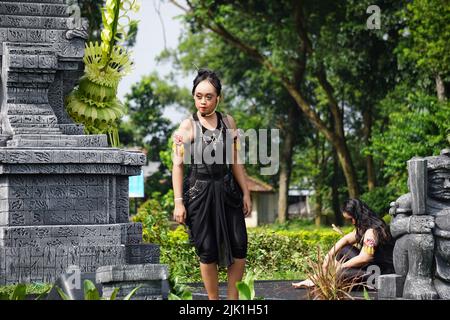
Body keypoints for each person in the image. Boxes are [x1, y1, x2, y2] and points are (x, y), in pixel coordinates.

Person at [172, 69, 252, 300]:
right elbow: (177, 166)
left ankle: (233, 302)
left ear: (218, 97)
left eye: (208, 96)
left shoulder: (229, 122)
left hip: (228, 191)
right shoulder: (187, 126)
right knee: (207, 250)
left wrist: (245, 192)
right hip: (199, 193)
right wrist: (179, 202)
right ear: (193, 96)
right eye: (198, 96)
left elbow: (235, 160)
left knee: (239, 246)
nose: (203, 102)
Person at [292, 198, 395, 288]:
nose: (353, 223)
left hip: (380, 275)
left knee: (340, 274)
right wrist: (329, 256)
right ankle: (321, 278)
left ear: (358, 215)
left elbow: (365, 257)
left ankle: (323, 280)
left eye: (351, 219)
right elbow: (346, 240)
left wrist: (340, 267)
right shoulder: (365, 228)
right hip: (373, 267)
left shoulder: (371, 232)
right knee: (345, 249)